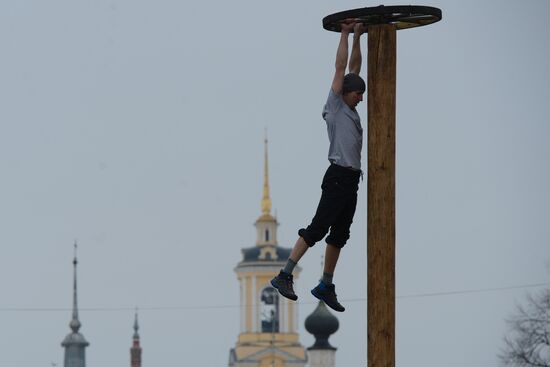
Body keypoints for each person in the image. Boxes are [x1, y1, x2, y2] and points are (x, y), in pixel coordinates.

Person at [271, 21, 367, 312]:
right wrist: (344, 33)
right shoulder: (336, 106)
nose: (361, 98)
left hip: (351, 181)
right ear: (344, 94)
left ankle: (326, 283)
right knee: (317, 229)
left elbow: (354, 69)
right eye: (357, 94)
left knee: (340, 235)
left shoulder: (350, 108)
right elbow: (341, 70)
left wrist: (359, 37)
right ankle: (284, 274)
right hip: (338, 176)